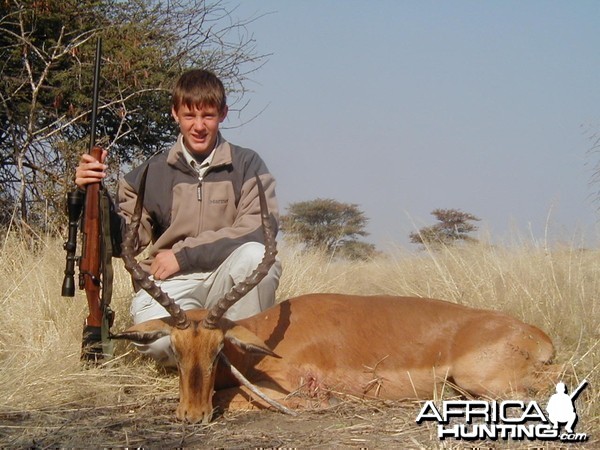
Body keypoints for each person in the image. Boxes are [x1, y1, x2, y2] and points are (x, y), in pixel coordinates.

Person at [75, 69, 282, 365]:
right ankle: (213, 360)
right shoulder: (151, 172)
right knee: (159, 345)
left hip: (222, 279)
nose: (199, 126)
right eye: (189, 116)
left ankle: (239, 363)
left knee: (257, 255)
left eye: (208, 115)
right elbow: (125, 242)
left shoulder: (247, 164)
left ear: (223, 114)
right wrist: (93, 195)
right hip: (170, 285)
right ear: (175, 114)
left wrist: (184, 256)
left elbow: (260, 231)